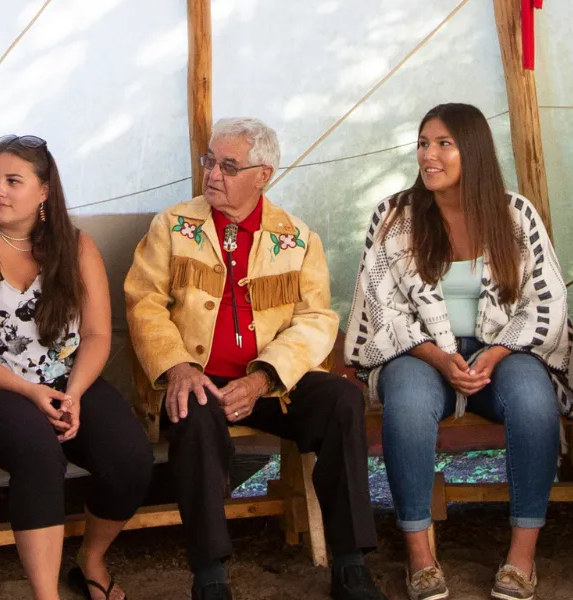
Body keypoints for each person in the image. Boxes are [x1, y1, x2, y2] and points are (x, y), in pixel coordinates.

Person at [124, 117, 385, 600]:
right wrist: (179, 367)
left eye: (228, 165)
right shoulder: (175, 226)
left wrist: (264, 377)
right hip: (197, 378)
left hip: (272, 385)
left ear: (262, 174)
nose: (212, 174)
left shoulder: (297, 238)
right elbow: (143, 302)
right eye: (209, 161)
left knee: (342, 401)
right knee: (193, 411)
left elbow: (317, 320)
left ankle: (349, 565)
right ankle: (210, 577)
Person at [346, 103, 573, 600]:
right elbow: (379, 306)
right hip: (417, 353)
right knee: (409, 404)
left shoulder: (514, 214)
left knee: (531, 397)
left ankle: (522, 557)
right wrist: (438, 356)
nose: (428, 155)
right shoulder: (395, 217)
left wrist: (497, 353)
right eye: (423, 143)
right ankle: (421, 558)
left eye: (443, 144)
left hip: (503, 350)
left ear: (472, 151)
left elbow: (545, 299)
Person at [0, 135, 153, 600]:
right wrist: (30, 393)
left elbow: (96, 334)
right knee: (39, 453)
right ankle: (45, 596)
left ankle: (91, 560)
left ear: (44, 192)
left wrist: (72, 393)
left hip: (66, 380)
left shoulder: (75, 247)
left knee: (130, 456)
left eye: (14, 181)